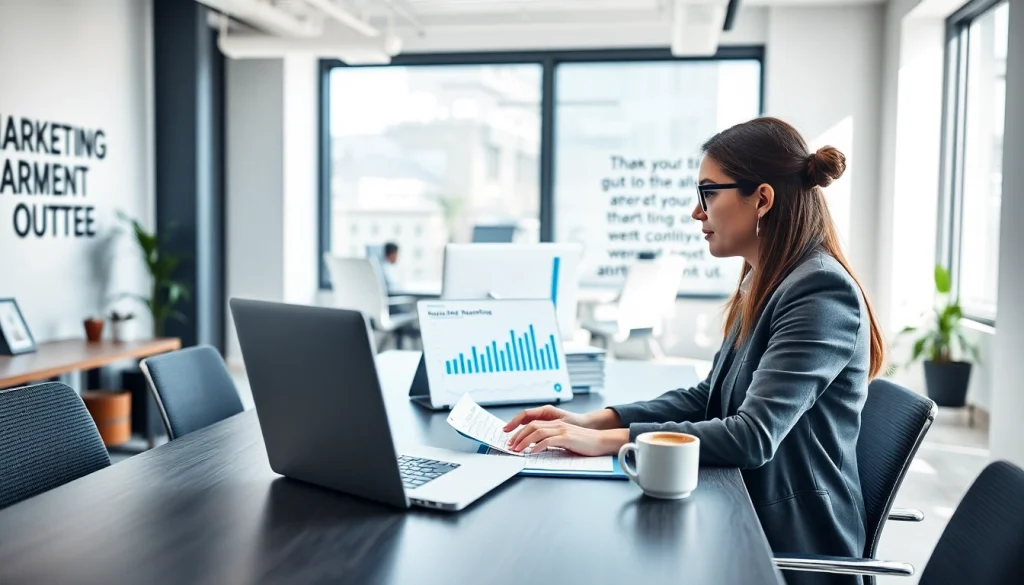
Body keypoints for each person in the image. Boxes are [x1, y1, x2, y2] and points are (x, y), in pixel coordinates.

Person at [503, 117, 885, 585]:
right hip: (742, 510)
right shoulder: (767, 279)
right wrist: (592, 421)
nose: (696, 212)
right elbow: (710, 397)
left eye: (708, 193)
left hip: (789, 545)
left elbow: (751, 436)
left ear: (762, 198)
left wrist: (605, 444)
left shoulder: (820, 291)